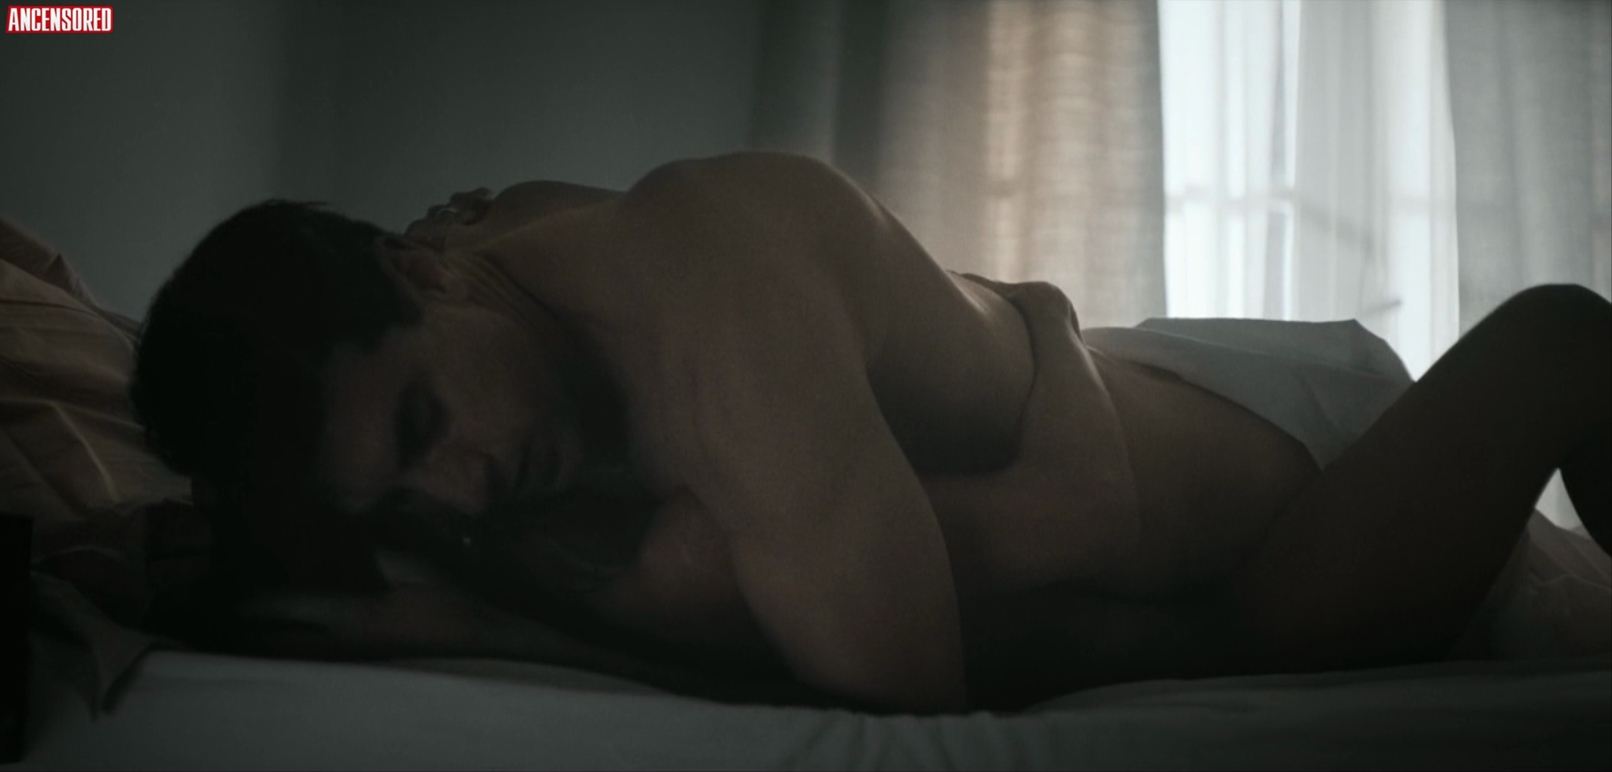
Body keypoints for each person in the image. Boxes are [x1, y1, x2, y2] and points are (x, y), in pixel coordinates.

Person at [131, 152, 1611, 713]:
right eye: (403, 491)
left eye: (425, 420)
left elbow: (909, 686)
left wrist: (504, 626)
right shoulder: (498, 244)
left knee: (1566, 337)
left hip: (1274, 523)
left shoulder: (713, 330)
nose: (461, 490)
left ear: (420, 270)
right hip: (1135, 401)